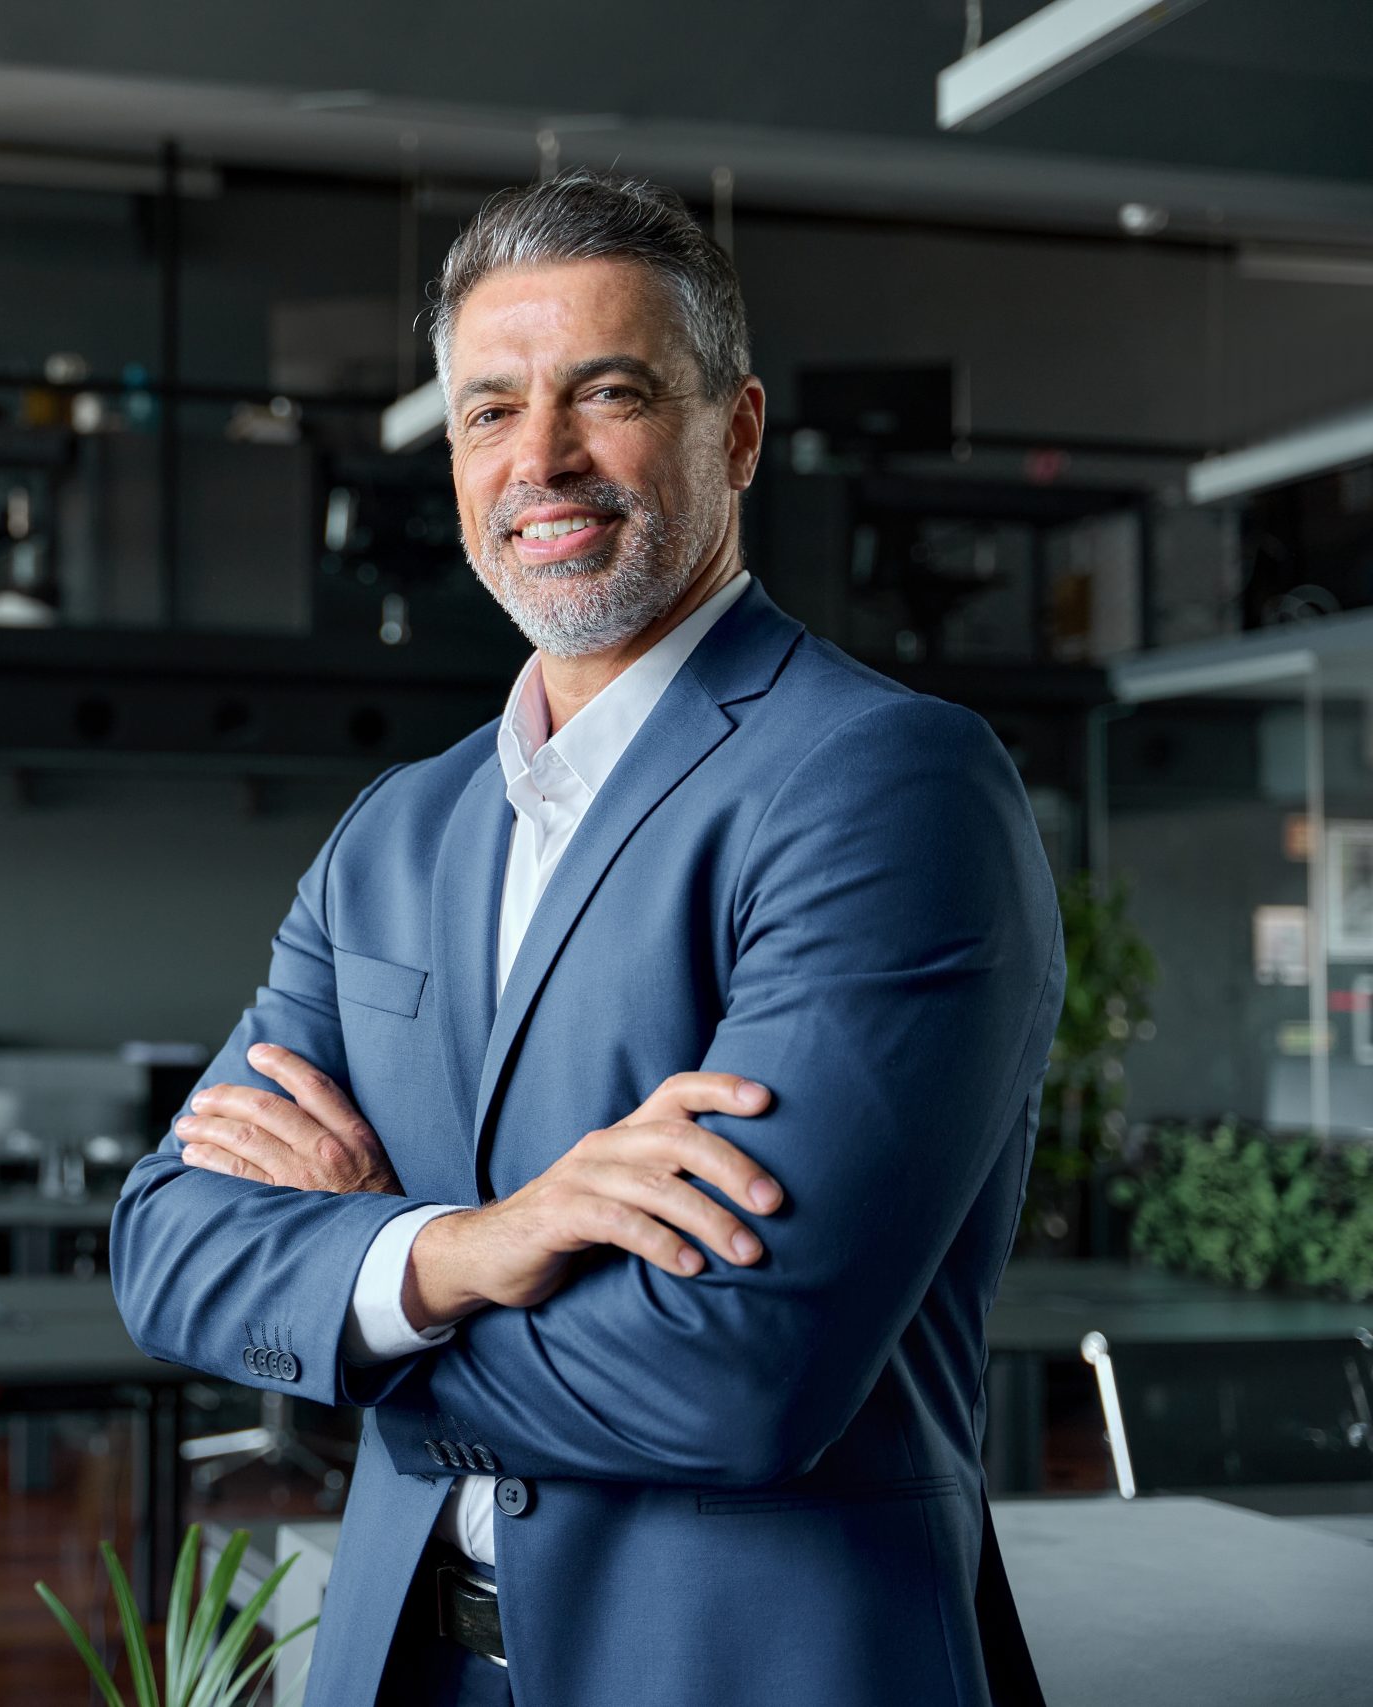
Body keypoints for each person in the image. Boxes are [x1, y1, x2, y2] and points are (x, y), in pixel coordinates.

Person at [109, 172, 1061, 1707]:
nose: (537, 459)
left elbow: (736, 1378)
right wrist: (470, 1247)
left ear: (736, 432)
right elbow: (166, 1247)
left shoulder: (885, 785)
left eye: (604, 393)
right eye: (488, 412)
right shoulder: (392, 838)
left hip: (742, 1671)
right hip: (410, 1668)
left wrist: (360, 1294)